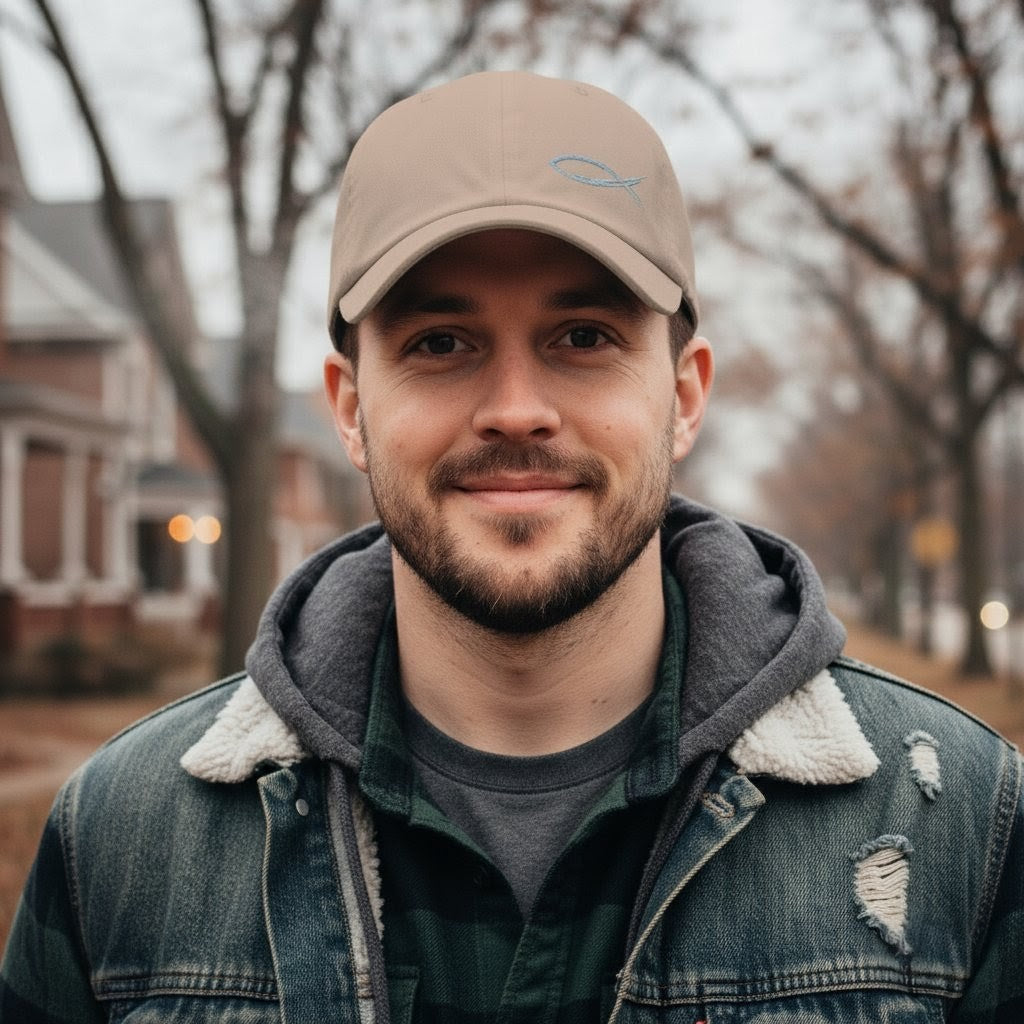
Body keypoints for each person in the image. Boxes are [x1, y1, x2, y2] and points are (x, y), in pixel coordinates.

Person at [2, 70, 1021, 1024]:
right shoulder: (122, 842)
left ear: (682, 395)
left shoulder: (960, 827)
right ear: (350, 408)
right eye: (441, 343)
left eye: (582, 335)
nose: (517, 410)